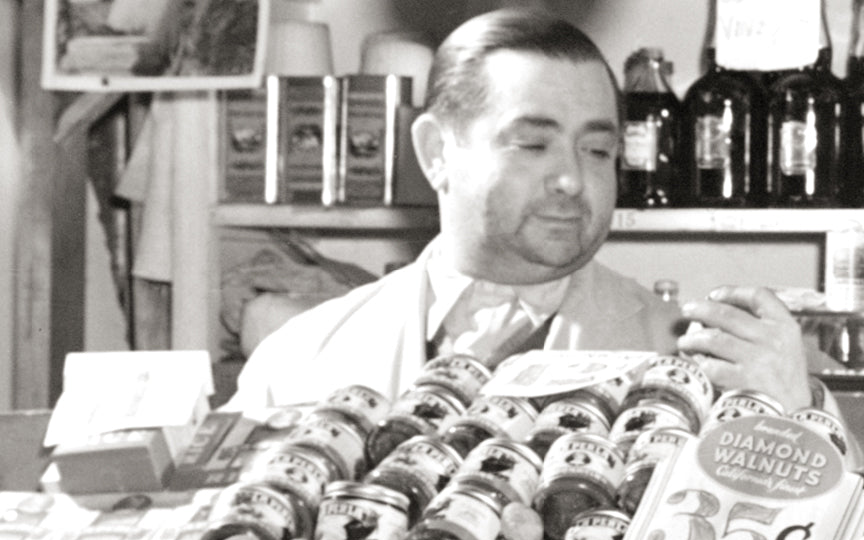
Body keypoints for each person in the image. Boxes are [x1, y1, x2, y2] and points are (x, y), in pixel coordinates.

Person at [224, 8, 850, 442]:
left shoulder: (696, 361)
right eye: (532, 145)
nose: (573, 180)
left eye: (597, 151)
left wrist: (797, 417)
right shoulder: (298, 360)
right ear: (436, 153)